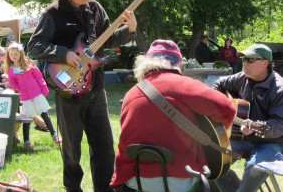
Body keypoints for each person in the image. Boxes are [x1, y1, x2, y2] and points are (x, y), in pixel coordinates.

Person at [27, 0, 138, 192]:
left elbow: (108, 38)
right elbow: (35, 45)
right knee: (71, 151)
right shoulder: (53, 13)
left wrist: (130, 30)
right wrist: (64, 53)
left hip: (96, 88)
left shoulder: (95, 9)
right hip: (67, 91)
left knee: (105, 147)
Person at [110, 39, 236, 191]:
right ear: (178, 63)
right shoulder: (184, 84)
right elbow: (227, 108)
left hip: (133, 180)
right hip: (178, 179)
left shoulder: (131, 93)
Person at [213, 44, 283, 192]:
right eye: (244, 59)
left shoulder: (279, 89)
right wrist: (225, 106)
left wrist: (257, 127)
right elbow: (219, 84)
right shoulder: (241, 77)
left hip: (269, 142)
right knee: (212, 160)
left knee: (256, 169)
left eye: (250, 59)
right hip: (240, 138)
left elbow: (279, 124)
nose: (245, 63)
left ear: (265, 63)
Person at [4, 43, 62, 146]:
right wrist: (10, 85)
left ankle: (54, 135)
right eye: (11, 54)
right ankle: (27, 141)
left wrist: (44, 88)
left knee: (44, 114)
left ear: (21, 53)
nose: (13, 56)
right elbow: (14, 85)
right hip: (25, 97)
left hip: (36, 93)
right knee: (27, 118)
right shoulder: (11, 70)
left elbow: (39, 77)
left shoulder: (29, 64)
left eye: (16, 53)